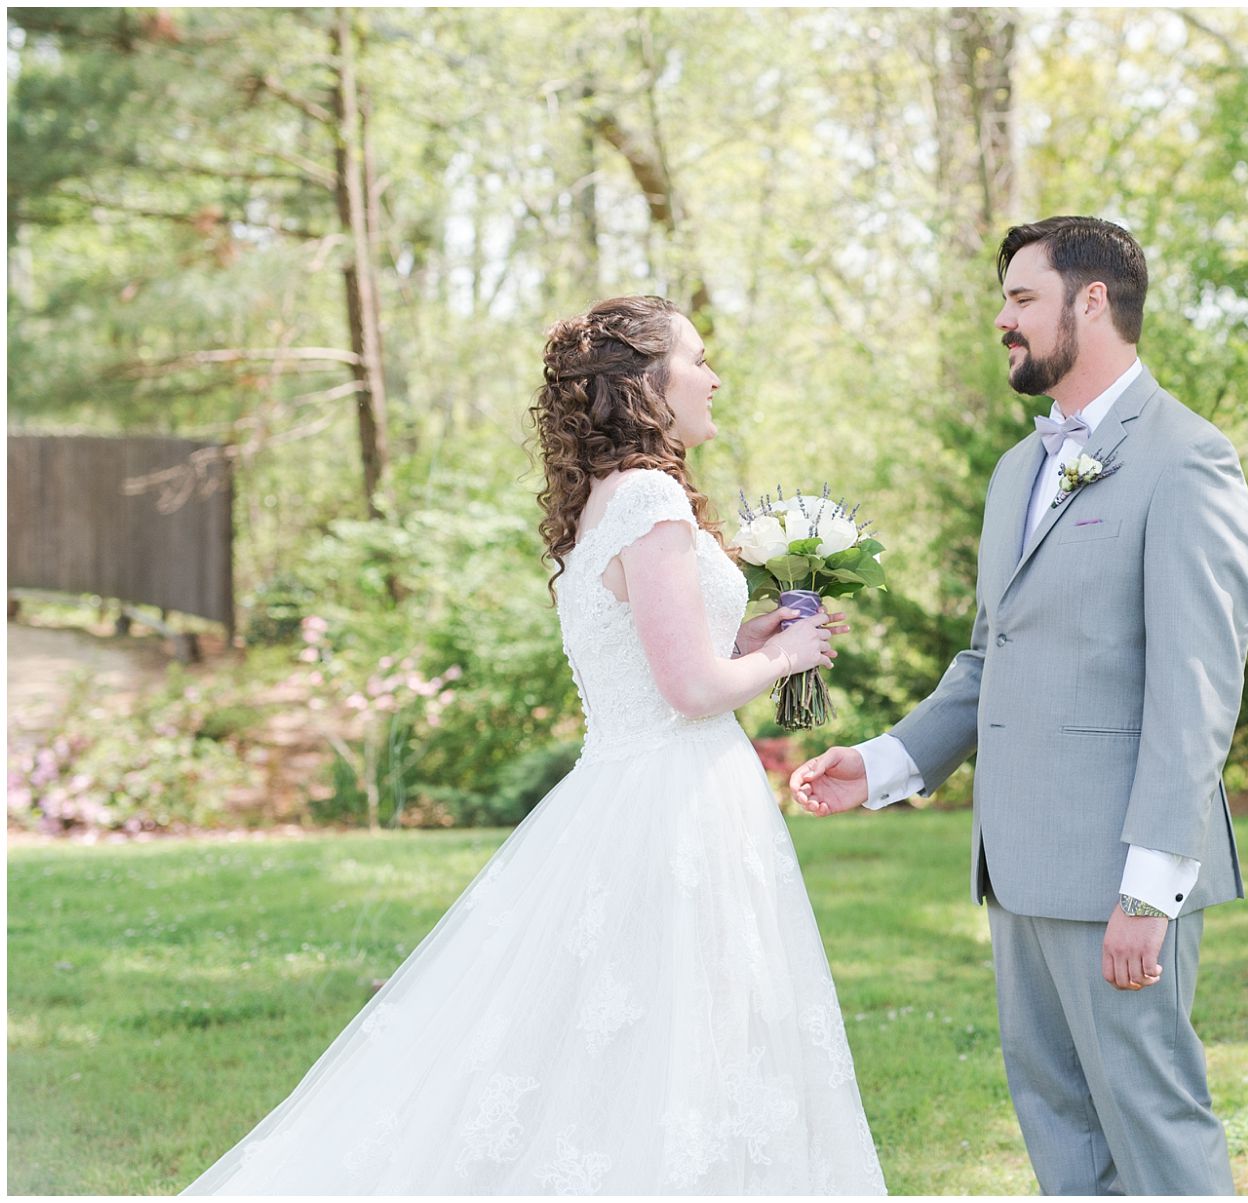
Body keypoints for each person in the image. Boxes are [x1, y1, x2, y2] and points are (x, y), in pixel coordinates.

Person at [183, 295, 885, 1195]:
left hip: (635, 787)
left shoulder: (611, 499)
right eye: (699, 359)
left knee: (628, 1043)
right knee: (682, 1034)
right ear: (646, 380)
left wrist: (749, 641)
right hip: (673, 802)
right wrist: (786, 652)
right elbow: (690, 690)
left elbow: (675, 657)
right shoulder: (652, 497)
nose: (714, 378)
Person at [793, 216, 1248, 1195]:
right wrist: (882, 762)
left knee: (1154, 1128)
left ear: (1093, 302)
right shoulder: (1019, 471)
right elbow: (988, 658)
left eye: (1020, 298)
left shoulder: (1188, 459)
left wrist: (1151, 887)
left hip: (1119, 872)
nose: (1002, 320)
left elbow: (1196, 688)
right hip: (1017, 867)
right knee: (1059, 1128)